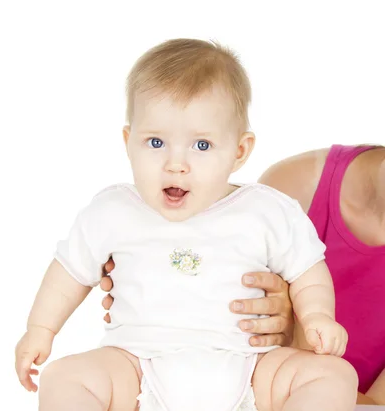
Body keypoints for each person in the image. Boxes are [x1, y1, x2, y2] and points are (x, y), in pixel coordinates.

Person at [14, 38, 358, 411]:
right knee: (63, 378)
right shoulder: (113, 210)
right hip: (137, 368)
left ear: (239, 151)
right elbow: (68, 273)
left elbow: (309, 271)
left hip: (251, 368)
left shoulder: (267, 210)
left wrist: (318, 316)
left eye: (202, 145)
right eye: (156, 141)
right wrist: (41, 330)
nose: (176, 163)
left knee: (334, 375)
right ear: (129, 142)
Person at [101, 143, 385, 405]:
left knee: (335, 375)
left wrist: (294, 335)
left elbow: (373, 406)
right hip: (173, 369)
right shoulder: (293, 189)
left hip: (277, 387)